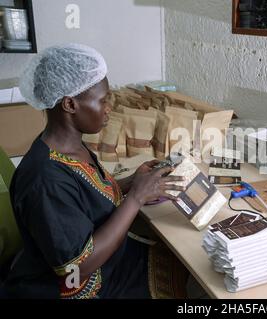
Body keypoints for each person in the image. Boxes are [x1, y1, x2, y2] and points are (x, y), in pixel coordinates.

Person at [4, 44, 185, 299]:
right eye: (102, 100)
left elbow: (84, 196)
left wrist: (133, 182)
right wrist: (135, 199)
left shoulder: (71, 147)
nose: (108, 108)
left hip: (110, 261)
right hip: (84, 284)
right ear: (70, 104)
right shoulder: (44, 180)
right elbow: (75, 268)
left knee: (182, 259)